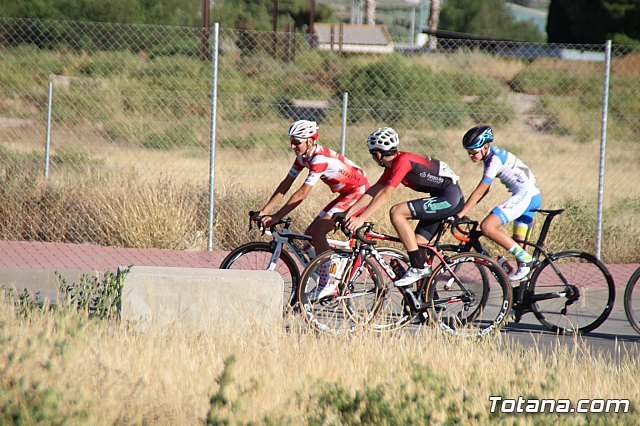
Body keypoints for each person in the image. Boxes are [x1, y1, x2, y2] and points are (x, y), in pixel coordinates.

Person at [257, 119, 370, 300]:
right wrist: (264, 211)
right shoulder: (303, 157)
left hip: (359, 192)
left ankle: (328, 284)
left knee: (318, 232)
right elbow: (286, 184)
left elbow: (302, 193)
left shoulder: (319, 159)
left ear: (310, 141)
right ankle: (329, 269)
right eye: (291, 141)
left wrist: (277, 216)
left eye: (297, 142)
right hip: (346, 193)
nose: (293, 146)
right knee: (309, 238)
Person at [343, 127, 464, 287]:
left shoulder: (402, 162)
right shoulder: (393, 164)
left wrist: (361, 218)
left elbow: (386, 193)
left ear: (378, 154)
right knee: (417, 246)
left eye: (372, 154)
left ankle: (418, 268)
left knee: (397, 212)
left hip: (449, 198)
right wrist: (348, 213)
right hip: (443, 198)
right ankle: (427, 299)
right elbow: (374, 191)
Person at [455, 125, 542, 281]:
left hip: (526, 195)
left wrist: (459, 214)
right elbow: (485, 190)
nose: (471, 156)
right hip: (531, 195)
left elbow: (481, 190)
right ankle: (522, 299)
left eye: (473, 152)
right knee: (519, 247)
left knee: (488, 226)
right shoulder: (491, 156)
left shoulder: (494, 159)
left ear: (486, 146)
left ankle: (527, 260)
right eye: (468, 152)